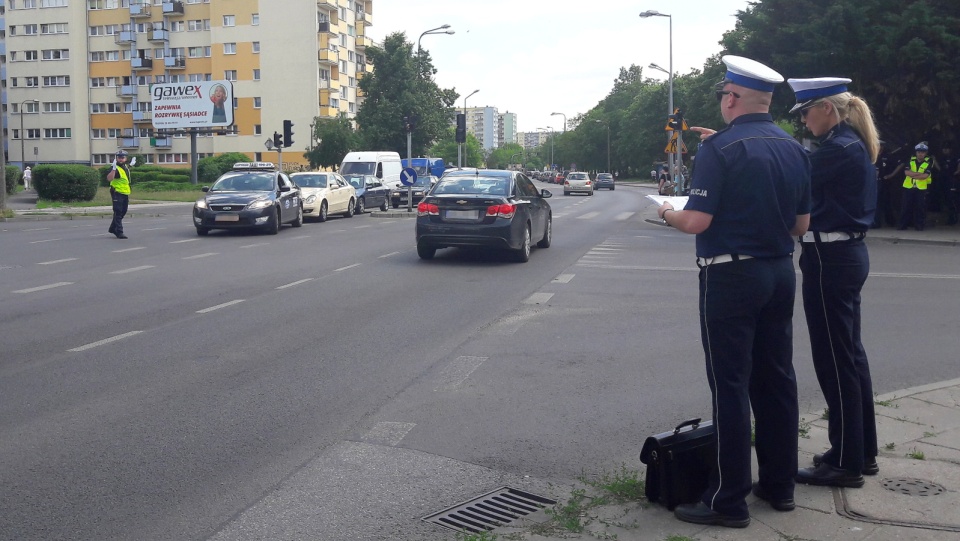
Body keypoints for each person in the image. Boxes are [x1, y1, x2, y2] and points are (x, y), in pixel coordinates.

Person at [656, 55, 811, 528]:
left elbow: (696, 221)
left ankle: (727, 500)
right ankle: (780, 486)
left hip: (730, 277)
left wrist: (665, 210)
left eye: (723, 95)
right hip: (779, 272)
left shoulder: (720, 150)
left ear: (730, 98)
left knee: (731, 386)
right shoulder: (793, 148)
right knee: (777, 380)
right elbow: (801, 224)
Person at [787, 77, 881, 489]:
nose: (804, 121)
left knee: (835, 360)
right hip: (841, 255)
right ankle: (861, 451)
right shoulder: (847, 145)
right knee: (851, 356)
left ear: (827, 108)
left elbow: (790, 175)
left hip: (830, 257)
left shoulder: (837, 149)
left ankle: (845, 463)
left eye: (806, 111)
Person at [886, 142, 932, 230]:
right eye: (919, 152)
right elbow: (907, 173)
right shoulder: (910, 161)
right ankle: (902, 225)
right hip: (908, 187)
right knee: (905, 207)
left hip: (921, 188)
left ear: (925, 153)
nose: (920, 154)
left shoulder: (928, 163)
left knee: (920, 208)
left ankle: (919, 226)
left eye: (922, 152)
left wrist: (913, 174)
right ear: (916, 152)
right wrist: (918, 174)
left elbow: (925, 176)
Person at [106, 150, 132, 239]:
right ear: (116, 158)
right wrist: (113, 170)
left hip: (125, 192)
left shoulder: (124, 167)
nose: (121, 159)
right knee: (118, 212)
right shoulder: (115, 167)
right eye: (119, 157)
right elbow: (109, 179)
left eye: (122, 157)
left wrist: (131, 166)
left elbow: (124, 176)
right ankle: (119, 231)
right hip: (117, 192)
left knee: (123, 211)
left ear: (125, 158)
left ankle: (112, 228)